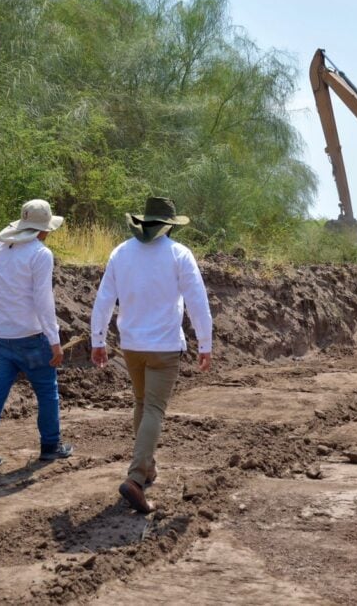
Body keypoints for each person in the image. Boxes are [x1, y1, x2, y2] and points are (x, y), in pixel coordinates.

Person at [90, 197, 213, 513]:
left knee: (142, 404)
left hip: (131, 345)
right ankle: (134, 478)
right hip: (165, 347)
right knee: (154, 409)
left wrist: (98, 340)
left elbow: (104, 300)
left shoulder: (121, 252)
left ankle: (148, 467)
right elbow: (197, 302)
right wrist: (205, 344)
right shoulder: (178, 254)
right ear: (169, 226)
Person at [0, 199, 73, 472]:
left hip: (2, 335)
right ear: (42, 229)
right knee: (47, 391)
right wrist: (55, 340)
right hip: (31, 336)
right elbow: (43, 301)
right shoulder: (40, 254)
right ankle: (51, 445)